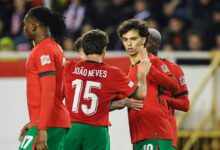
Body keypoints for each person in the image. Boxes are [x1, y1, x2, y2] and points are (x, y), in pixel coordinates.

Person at [63, 29, 151, 150]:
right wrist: (142, 76)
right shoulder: (113, 73)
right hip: (96, 131)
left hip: (70, 130)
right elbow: (140, 94)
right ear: (104, 49)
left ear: (83, 49)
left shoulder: (68, 67)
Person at [117, 19, 179, 150]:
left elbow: (174, 85)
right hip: (139, 133)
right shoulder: (131, 68)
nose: (129, 44)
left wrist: (150, 70)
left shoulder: (153, 61)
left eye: (133, 38)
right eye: (125, 39)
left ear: (143, 40)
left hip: (155, 131)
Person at [18, 6, 71, 150]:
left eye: (25, 24)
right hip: (50, 122)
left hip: (49, 125)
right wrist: (35, 121)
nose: (23, 28)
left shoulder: (44, 50)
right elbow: (62, 92)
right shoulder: (54, 47)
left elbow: (49, 90)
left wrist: (41, 127)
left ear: (34, 25)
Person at [146, 28, 190, 150]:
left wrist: (162, 99)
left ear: (157, 44)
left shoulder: (173, 69)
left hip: (164, 132)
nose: (143, 44)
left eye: (147, 41)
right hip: (141, 132)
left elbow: (185, 105)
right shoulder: (134, 67)